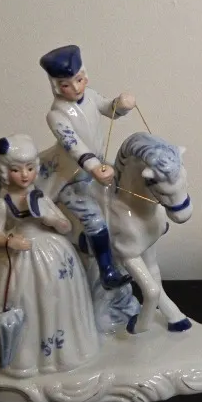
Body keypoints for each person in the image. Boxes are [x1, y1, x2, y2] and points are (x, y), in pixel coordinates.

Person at [0, 134, 99, 378]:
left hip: (50, 253)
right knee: (22, 298)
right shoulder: (4, 203)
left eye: (30, 168)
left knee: (53, 299)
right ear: (5, 172)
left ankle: (59, 352)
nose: (25, 175)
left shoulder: (41, 198)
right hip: (15, 257)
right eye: (17, 170)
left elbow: (65, 226)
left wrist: (50, 219)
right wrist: (9, 241)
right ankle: (20, 356)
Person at [38, 44, 135, 290]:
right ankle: (107, 271)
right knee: (94, 218)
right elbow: (73, 145)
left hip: (99, 167)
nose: (75, 88)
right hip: (71, 175)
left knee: (129, 187)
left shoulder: (90, 96)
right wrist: (93, 168)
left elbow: (108, 108)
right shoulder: (56, 115)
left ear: (85, 76)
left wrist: (121, 104)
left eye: (79, 80)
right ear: (56, 86)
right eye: (66, 85)